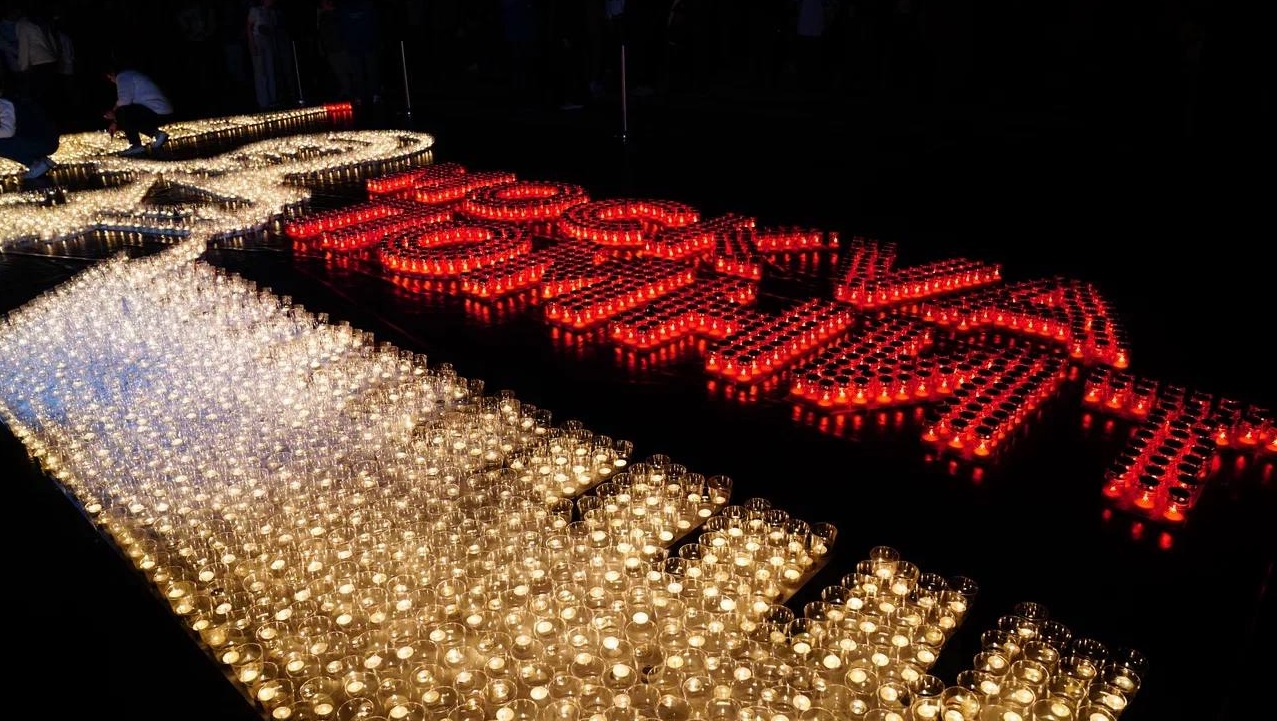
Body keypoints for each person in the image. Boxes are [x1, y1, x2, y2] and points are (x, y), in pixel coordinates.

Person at [103, 65, 172, 156]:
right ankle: (157, 135)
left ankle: (137, 145)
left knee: (123, 112)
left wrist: (114, 114)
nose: (112, 81)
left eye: (110, 78)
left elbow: (124, 101)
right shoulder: (129, 74)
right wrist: (115, 120)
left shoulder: (123, 77)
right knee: (127, 114)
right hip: (160, 111)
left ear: (112, 73)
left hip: (157, 111)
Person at [0, 81, 58, 180]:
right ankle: (39, 161)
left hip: (43, 141)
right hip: (39, 140)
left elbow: (8, 131)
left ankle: (34, 163)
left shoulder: (4, 104)